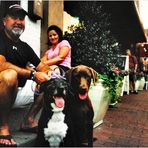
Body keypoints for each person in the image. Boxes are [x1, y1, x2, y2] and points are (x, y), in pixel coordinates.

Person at [0, 4, 50, 146]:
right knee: (10, 75)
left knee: (50, 81)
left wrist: (51, 72)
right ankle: (3, 127)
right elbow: (1, 65)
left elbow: (42, 66)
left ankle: (29, 120)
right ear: (4, 21)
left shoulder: (25, 47)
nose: (18, 21)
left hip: (18, 93)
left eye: (21, 18)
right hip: (3, 90)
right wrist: (33, 75)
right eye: (14, 17)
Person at [20, 25, 72, 133]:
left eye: (54, 34)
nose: (52, 37)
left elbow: (60, 57)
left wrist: (43, 65)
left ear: (59, 35)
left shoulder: (64, 43)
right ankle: (30, 119)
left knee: (48, 78)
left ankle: (30, 119)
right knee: (42, 84)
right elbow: (40, 62)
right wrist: (37, 68)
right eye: (50, 36)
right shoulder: (48, 51)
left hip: (63, 70)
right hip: (51, 71)